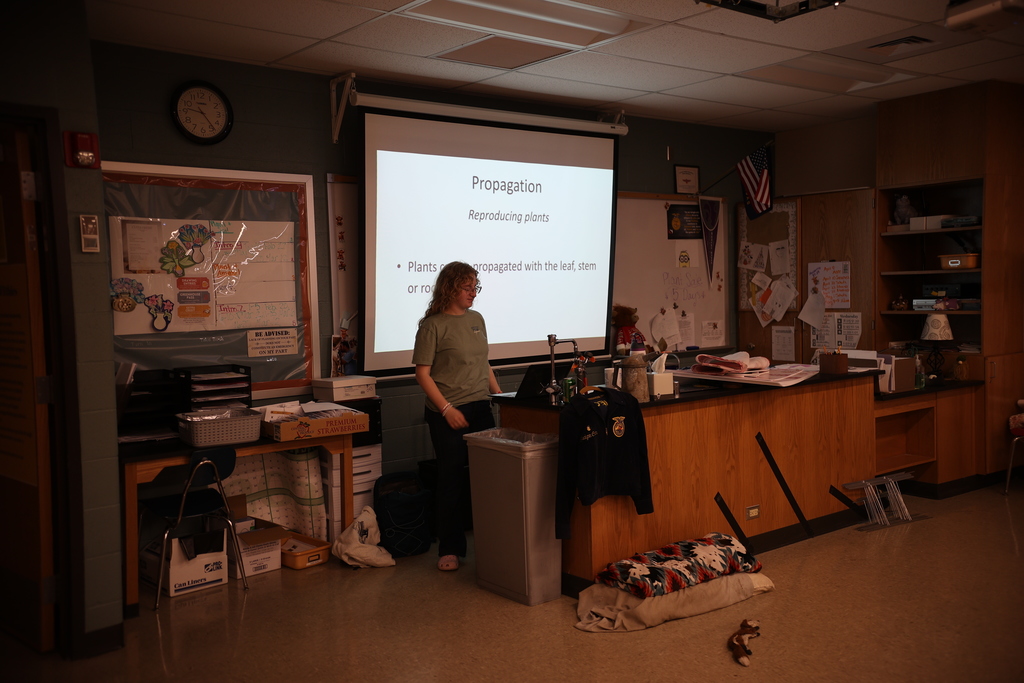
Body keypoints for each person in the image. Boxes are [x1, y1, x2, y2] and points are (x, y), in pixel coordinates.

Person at [413, 262, 501, 571]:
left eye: (476, 286)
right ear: (450, 289)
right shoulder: (432, 325)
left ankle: (494, 543)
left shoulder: (477, 319)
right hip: (446, 410)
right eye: (467, 287)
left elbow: (483, 362)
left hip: (480, 407)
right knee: (450, 479)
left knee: (489, 477)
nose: (473, 293)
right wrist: (446, 408)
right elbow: (422, 374)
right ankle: (449, 549)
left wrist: (500, 397)